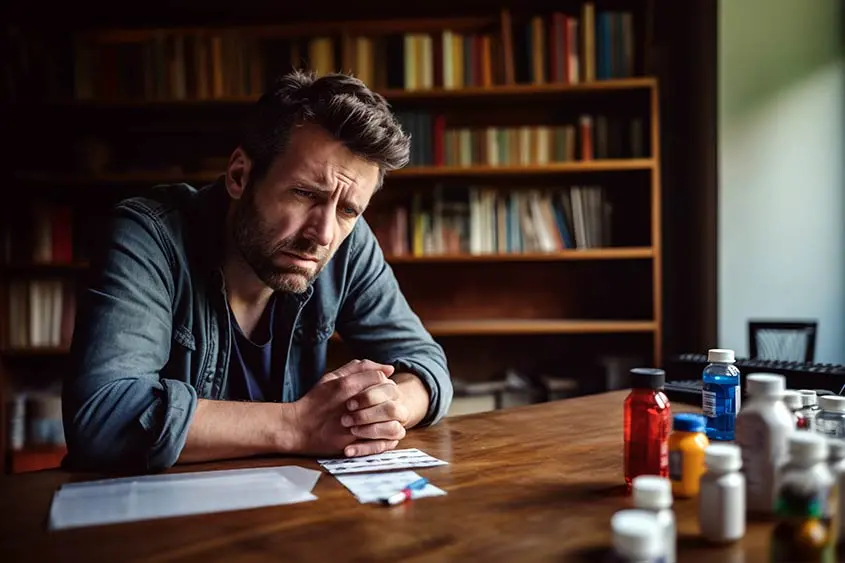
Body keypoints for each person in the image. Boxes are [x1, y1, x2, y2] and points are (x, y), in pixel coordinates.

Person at [62, 70, 453, 473]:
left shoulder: (348, 244)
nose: (323, 233)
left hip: (280, 515)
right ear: (239, 175)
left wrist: (389, 407)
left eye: (348, 210)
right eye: (304, 194)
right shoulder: (148, 236)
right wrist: (298, 425)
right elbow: (103, 417)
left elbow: (426, 363)